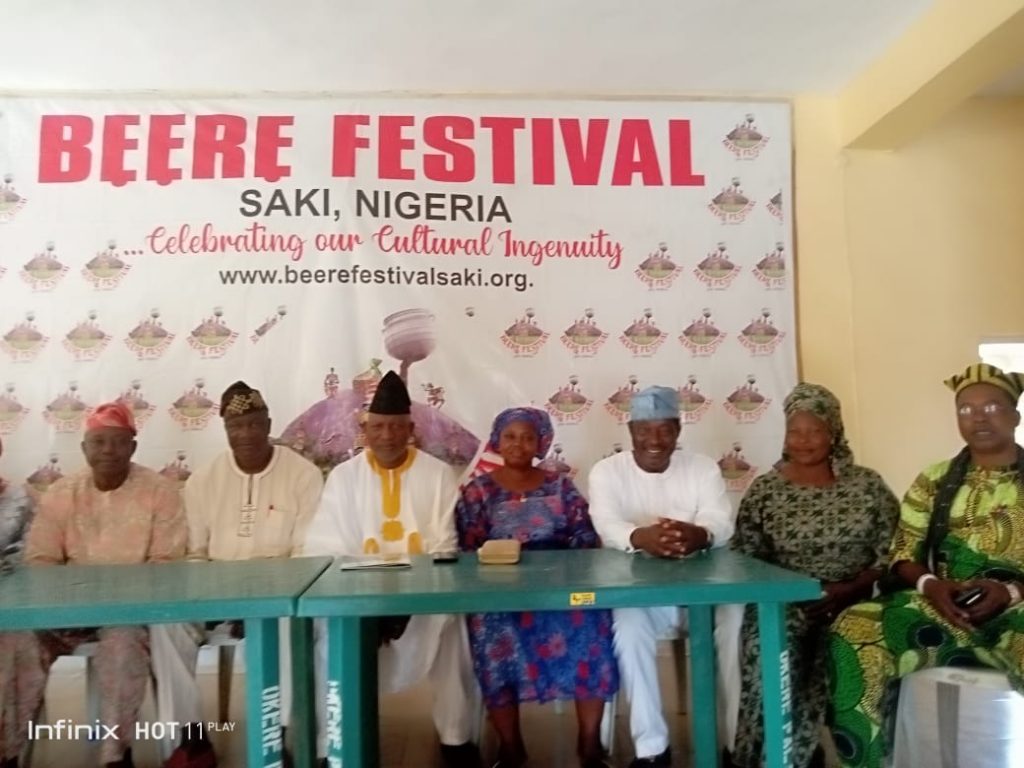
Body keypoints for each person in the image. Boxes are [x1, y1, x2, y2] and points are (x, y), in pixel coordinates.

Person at [828, 363, 1024, 768]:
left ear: (1015, 416)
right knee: (854, 628)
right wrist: (933, 586)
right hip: (944, 610)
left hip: (1018, 611)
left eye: (991, 407)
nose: (978, 417)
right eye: (966, 409)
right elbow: (902, 555)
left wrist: (1010, 592)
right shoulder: (935, 479)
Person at [303, 371, 482, 768]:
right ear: (365, 430)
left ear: (411, 429)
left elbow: (445, 545)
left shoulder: (438, 474)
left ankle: (456, 738)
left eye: (396, 426)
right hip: (357, 601)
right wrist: (372, 604)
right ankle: (331, 743)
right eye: (378, 427)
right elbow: (325, 548)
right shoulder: (344, 477)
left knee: (451, 626)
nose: (387, 436)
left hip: (422, 598)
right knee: (328, 636)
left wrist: (407, 602)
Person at [151, 381, 324, 768]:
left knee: (284, 623)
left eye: (253, 424)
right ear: (226, 430)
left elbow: (305, 555)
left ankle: (279, 733)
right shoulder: (204, 480)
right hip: (215, 593)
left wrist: (262, 601)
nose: (245, 434)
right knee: (166, 624)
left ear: (268, 425)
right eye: (236, 426)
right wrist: (217, 599)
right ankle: (191, 737)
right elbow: (195, 554)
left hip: (282, 593)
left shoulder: (303, 475)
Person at [729, 384, 899, 768]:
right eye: (795, 431)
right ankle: (770, 756)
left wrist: (849, 589)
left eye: (815, 430)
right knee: (770, 650)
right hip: (783, 601)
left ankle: (829, 754)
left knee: (847, 651)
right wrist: (791, 591)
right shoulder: (765, 490)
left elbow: (893, 551)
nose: (803, 441)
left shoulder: (868, 485)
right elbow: (746, 556)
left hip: (854, 599)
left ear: (833, 431)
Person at [22, 402, 187, 767]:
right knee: (16, 641)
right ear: (84, 448)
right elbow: (41, 560)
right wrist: (68, 602)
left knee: (122, 644)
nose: (108, 451)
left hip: (131, 614)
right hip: (67, 611)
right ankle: (8, 749)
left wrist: (121, 602)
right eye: (99, 442)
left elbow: (167, 564)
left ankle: (115, 756)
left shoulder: (160, 492)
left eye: (118, 441)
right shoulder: (62, 493)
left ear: (133, 447)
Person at [588, 385, 742, 768]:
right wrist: (641, 537)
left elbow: (720, 521)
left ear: (678, 431)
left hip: (703, 593)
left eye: (665, 430)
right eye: (644, 430)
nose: (654, 441)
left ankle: (737, 743)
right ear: (631, 431)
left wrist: (699, 535)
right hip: (641, 596)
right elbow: (606, 524)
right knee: (627, 626)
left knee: (737, 619)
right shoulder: (608, 471)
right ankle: (652, 748)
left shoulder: (702, 468)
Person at [455, 407, 619, 768]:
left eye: (528, 437)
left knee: (591, 619)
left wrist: (559, 568)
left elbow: (584, 536)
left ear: (540, 443)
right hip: (499, 589)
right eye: (510, 436)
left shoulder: (560, 486)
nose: (518, 444)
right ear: (497, 441)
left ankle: (590, 745)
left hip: (561, 588)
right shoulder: (478, 491)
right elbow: (468, 549)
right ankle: (511, 748)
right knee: (489, 625)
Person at [0, 436, 36, 768]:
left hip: (7, 602)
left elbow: (27, 556)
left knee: (15, 641)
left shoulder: (18, 499)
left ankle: (9, 751)